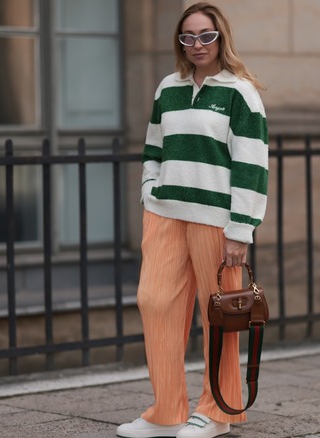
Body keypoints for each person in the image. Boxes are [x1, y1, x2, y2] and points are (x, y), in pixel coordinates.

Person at [117, 3, 268, 438]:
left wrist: (241, 229)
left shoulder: (240, 92)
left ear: (221, 37)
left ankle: (218, 411)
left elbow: (252, 166)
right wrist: (150, 190)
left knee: (219, 314)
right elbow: (152, 149)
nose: (197, 45)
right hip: (164, 215)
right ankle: (167, 412)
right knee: (155, 301)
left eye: (205, 35)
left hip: (216, 221)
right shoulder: (168, 88)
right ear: (179, 41)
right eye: (188, 37)